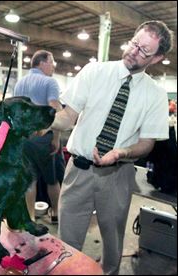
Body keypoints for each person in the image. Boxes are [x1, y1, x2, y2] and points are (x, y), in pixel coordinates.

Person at [50, 21, 174, 275]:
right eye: (134, 43)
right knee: (67, 239)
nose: (134, 52)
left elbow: (147, 143)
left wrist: (121, 153)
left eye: (144, 51)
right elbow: (66, 117)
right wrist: (38, 120)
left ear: (158, 57)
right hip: (79, 170)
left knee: (113, 240)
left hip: (118, 175)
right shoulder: (94, 72)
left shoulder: (156, 96)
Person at [14, 50, 65, 224]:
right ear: (42, 63)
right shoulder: (50, 82)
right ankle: (56, 214)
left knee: (30, 179)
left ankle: (30, 217)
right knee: (52, 180)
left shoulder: (20, 83)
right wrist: (56, 138)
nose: (53, 66)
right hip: (44, 138)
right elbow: (54, 110)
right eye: (52, 62)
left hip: (24, 139)